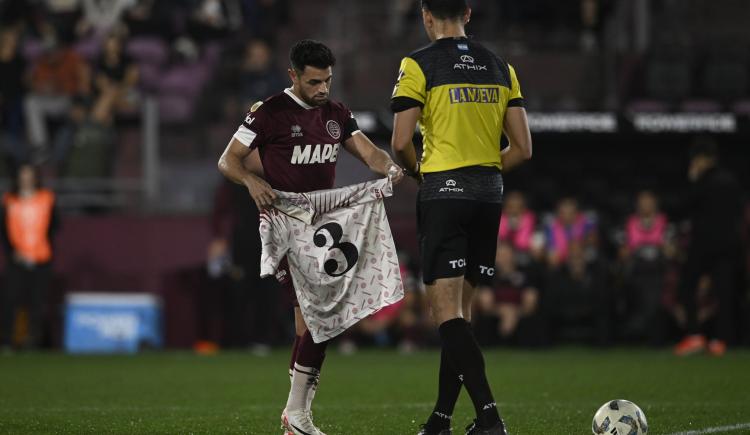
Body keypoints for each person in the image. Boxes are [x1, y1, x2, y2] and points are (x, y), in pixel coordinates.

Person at [218, 39, 403, 435]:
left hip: (325, 228)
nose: (322, 89)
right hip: (287, 225)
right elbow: (227, 160)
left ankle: (295, 416)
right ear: (294, 76)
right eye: (315, 81)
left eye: (328, 81)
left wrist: (389, 168)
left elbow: (369, 153)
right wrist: (251, 180)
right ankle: (296, 414)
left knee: (312, 325)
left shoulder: (336, 113)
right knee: (318, 321)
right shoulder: (268, 113)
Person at [390, 1, 532, 434]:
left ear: (426, 16)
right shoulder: (500, 66)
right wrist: (483, 170)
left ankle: (490, 419)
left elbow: (399, 142)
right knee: (461, 316)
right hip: (489, 196)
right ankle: (441, 420)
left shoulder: (418, 64)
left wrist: (423, 173)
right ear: (467, 13)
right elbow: (524, 149)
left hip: (444, 192)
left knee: (445, 315)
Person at [673, 139, 744, 356]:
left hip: (704, 245)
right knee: (724, 293)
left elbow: (682, 208)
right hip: (730, 245)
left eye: (696, 159)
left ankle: (694, 336)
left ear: (702, 159)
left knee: (686, 286)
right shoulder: (732, 180)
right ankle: (720, 341)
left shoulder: (703, 181)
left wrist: (693, 181)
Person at [0, 164, 59, 350]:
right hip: (16, 259)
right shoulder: (9, 200)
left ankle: (33, 341)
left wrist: (44, 247)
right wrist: (12, 252)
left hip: (41, 257)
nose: (26, 179)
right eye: (22, 175)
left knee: (37, 302)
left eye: (29, 175)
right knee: (10, 299)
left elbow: (54, 226)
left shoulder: (46, 198)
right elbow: (3, 230)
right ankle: (8, 341)